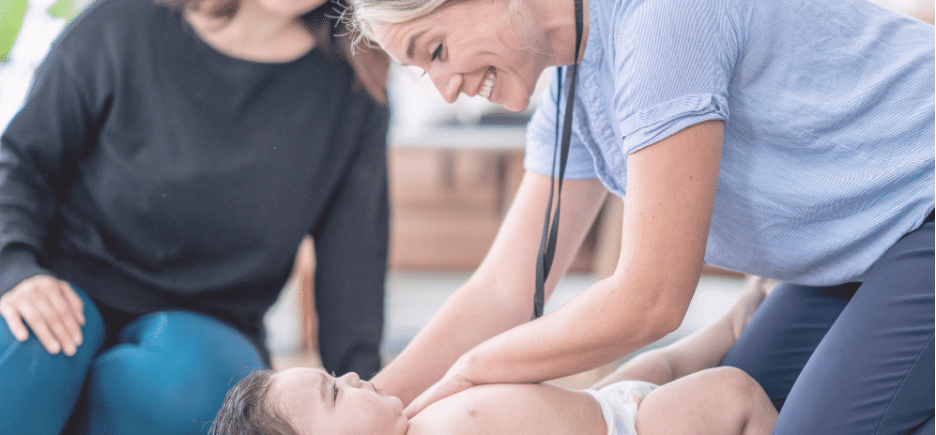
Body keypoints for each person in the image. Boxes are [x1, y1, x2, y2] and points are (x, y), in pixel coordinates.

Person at [341, 0, 935, 433]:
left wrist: (472, 371)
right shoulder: (572, 89)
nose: (443, 89)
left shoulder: (661, 24)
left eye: (436, 50)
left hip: (923, 205)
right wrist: (372, 405)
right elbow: (504, 290)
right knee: (728, 396)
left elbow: (652, 300)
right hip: (873, 242)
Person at [0, 0, 391, 431]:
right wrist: (16, 268)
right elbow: (20, 163)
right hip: (66, 281)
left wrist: (369, 404)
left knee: (185, 388)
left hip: (212, 324)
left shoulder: (354, 88)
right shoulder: (122, 21)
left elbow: (354, 264)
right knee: (25, 344)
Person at [210, 282, 776, 435]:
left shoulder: (416, 418)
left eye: (335, 375)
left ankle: (731, 321)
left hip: (604, 405)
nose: (354, 376)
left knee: (657, 368)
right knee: (731, 391)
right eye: (334, 391)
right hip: (631, 430)